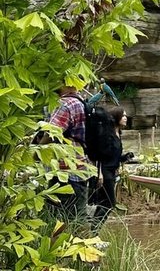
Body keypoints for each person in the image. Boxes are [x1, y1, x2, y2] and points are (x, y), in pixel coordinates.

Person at [40, 84, 90, 227]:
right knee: (78, 217)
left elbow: (52, 132)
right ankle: (83, 247)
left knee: (57, 220)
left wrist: (36, 152)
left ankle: (61, 248)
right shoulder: (82, 101)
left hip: (63, 170)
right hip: (80, 167)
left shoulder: (65, 103)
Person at [89, 106, 134, 231]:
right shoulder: (106, 134)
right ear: (116, 117)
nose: (126, 118)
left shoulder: (118, 134)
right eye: (123, 115)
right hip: (105, 172)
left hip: (112, 171)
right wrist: (99, 174)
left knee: (103, 202)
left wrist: (124, 157)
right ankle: (94, 230)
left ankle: (94, 232)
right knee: (109, 203)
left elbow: (113, 156)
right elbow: (100, 155)